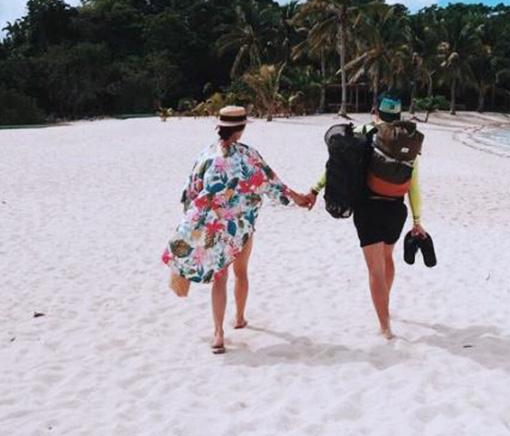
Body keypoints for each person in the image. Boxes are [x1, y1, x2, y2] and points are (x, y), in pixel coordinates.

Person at [162, 105, 310, 353]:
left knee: (220, 278)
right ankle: (239, 318)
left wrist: (192, 220)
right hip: (241, 226)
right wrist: (298, 199)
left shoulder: (206, 155)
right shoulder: (249, 156)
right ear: (240, 130)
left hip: (215, 225)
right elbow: (272, 183)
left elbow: (192, 190)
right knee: (241, 273)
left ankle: (218, 333)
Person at [307, 95, 426, 339]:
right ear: (399, 115)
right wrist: (417, 220)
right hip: (396, 209)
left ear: (375, 112)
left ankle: (385, 326)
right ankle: (385, 307)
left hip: (368, 208)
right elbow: (414, 184)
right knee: (387, 258)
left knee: (375, 270)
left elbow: (336, 165)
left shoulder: (363, 132)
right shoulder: (406, 141)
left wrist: (315, 190)